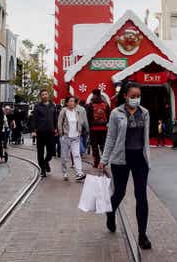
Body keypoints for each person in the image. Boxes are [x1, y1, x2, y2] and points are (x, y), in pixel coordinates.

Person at [99, 82, 152, 250]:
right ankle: (111, 211)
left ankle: (142, 235)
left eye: (138, 96)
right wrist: (104, 159)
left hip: (140, 159)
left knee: (141, 196)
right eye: (133, 96)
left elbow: (145, 139)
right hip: (121, 159)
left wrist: (148, 158)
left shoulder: (144, 113)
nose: (136, 99)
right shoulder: (116, 113)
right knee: (119, 193)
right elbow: (111, 137)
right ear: (125, 96)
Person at [58, 96, 88, 181]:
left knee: (77, 155)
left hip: (76, 137)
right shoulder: (63, 111)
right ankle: (64, 172)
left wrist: (80, 131)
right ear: (66, 103)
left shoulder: (77, 111)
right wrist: (61, 134)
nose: (72, 103)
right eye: (70, 101)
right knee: (64, 157)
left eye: (73, 101)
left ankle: (79, 173)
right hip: (66, 137)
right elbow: (59, 123)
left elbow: (80, 122)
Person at [30, 90, 58, 178]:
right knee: (40, 152)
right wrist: (33, 130)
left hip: (50, 132)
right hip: (40, 133)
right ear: (40, 97)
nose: (44, 96)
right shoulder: (37, 106)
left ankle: (46, 162)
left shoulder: (53, 106)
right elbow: (34, 119)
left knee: (52, 151)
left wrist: (56, 128)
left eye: (46, 94)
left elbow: (55, 118)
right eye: (43, 95)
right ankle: (42, 169)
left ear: (48, 95)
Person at [87, 89, 111, 167]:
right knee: (103, 145)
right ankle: (104, 161)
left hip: (93, 129)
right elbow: (109, 116)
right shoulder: (105, 104)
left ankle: (96, 162)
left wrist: (89, 127)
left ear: (93, 94)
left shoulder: (90, 105)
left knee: (94, 147)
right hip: (104, 128)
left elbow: (88, 117)